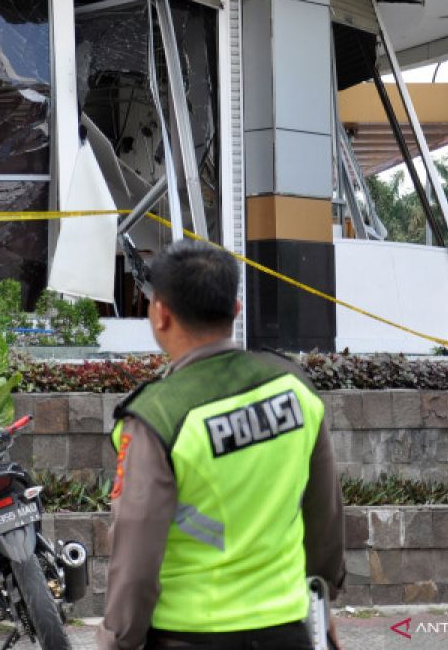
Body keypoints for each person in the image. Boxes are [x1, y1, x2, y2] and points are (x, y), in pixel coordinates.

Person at [98, 240, 346, 650]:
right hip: (286, 627)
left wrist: (116, 641)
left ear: (160, 313)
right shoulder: (294, 388)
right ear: (236, 310)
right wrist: (320, 608)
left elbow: (136, 556)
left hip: (189, 634)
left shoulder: (157, 417)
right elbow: (324, 516)